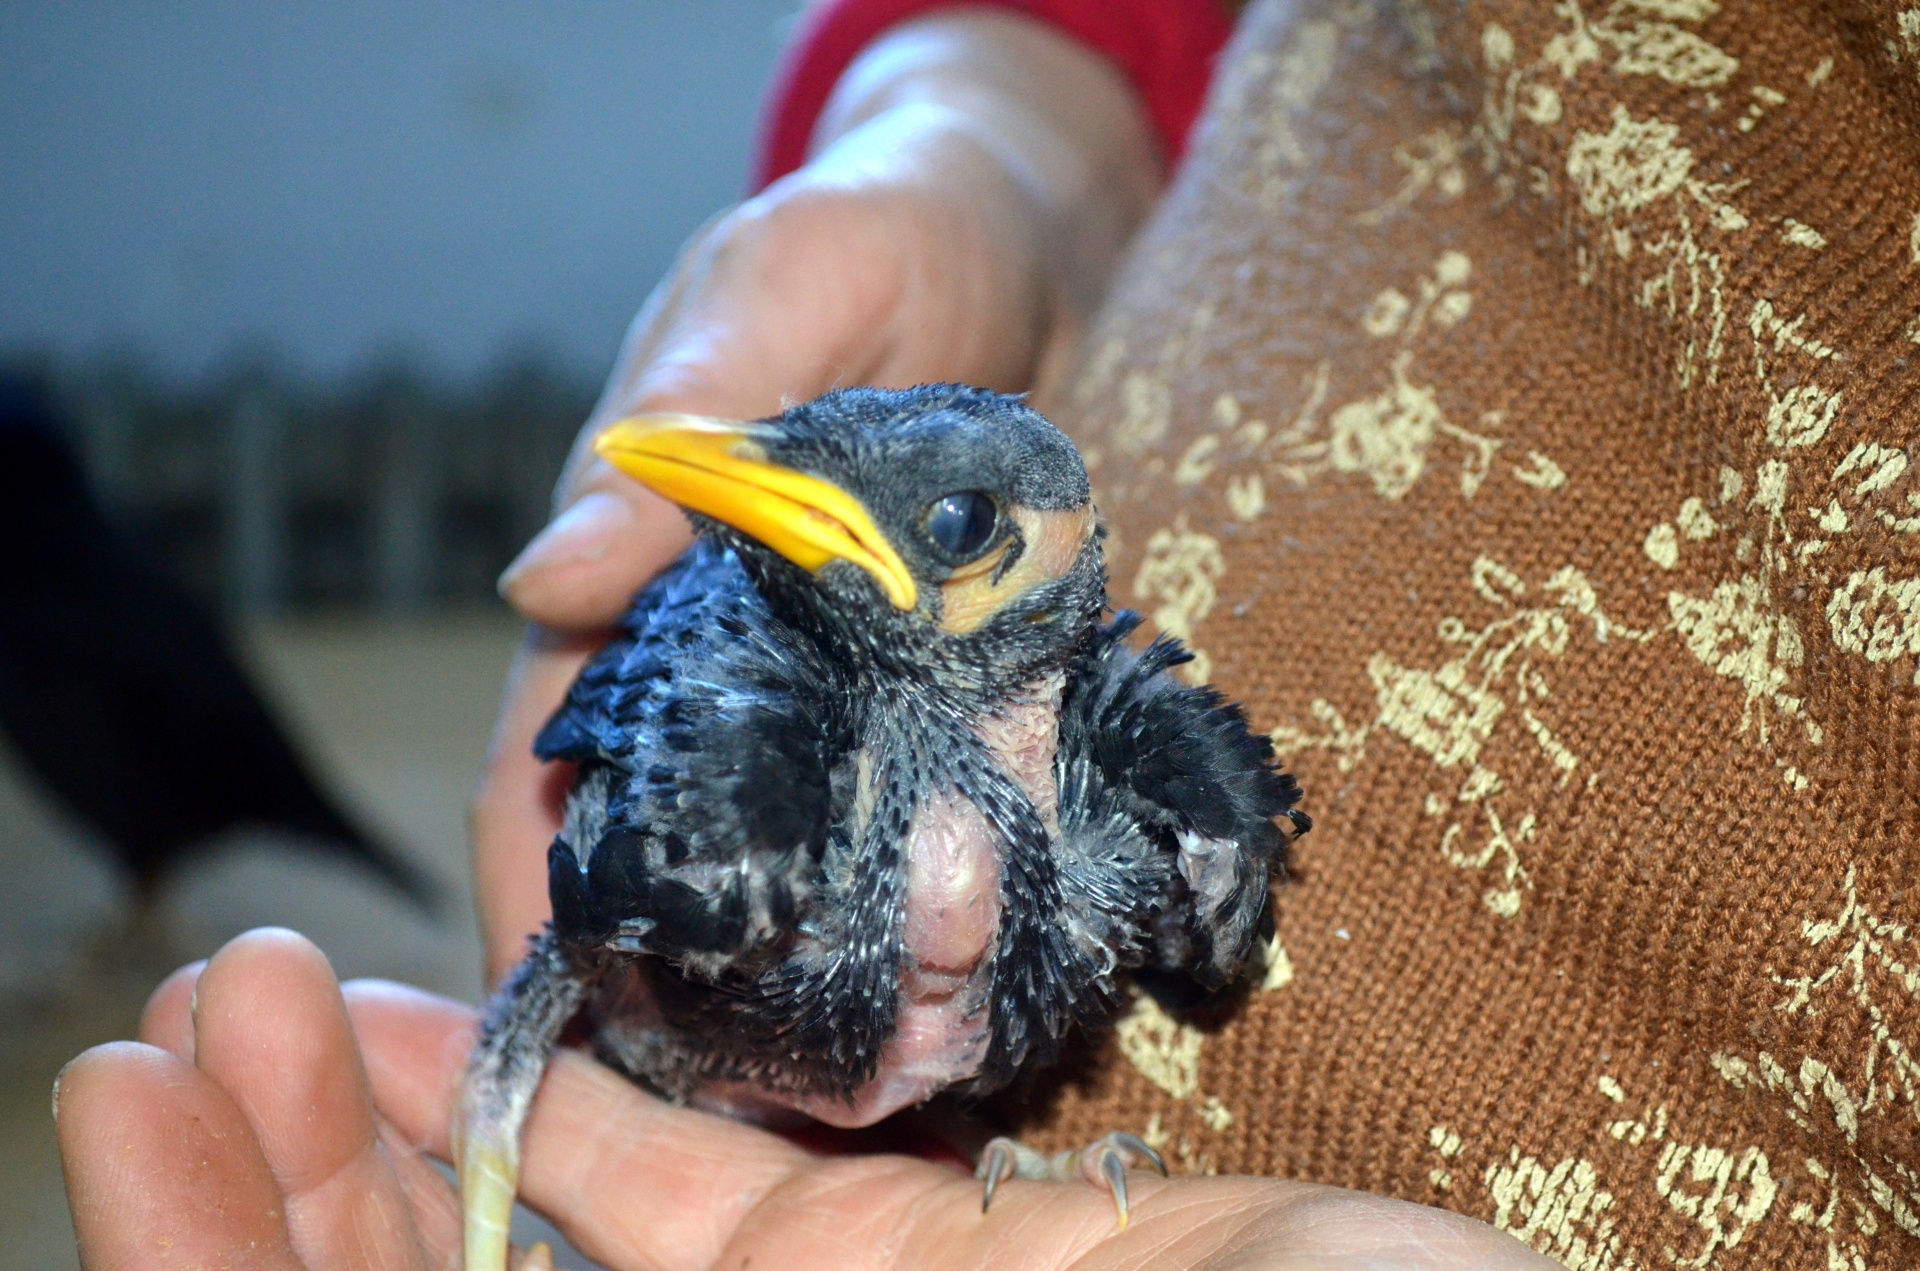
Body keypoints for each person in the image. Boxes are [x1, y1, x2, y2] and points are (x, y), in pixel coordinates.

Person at [57, 0, 1920, 1265]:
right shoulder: (749, 764)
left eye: (942, 539)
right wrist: (990, 135)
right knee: (517, 1054)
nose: (813, 532)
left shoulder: (1134, 795)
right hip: (727, 1088)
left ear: (1043, 579)